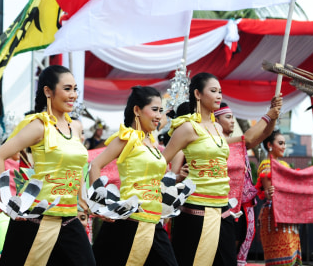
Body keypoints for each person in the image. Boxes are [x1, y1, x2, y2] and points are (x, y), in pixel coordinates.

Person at [0, 65, 95, 266]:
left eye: (75, 89)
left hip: (69, 217)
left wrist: (86, 201)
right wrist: (6, 203)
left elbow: (77, 168)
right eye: (67, 89)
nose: (73, 95)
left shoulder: (75, 127)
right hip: (36, 218)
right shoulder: (39, 126)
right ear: (48, 91)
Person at [89, 86, 177, 265]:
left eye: (161, 110)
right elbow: (95, 165)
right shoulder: (126, 137)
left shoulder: (152, 142)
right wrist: (99, 204)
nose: (159, 116)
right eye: (154, 110)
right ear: (137, 110)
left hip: (154, 221)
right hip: (131, 220)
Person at [163, 72, 233, 266]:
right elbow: (159, 162)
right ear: (198, 94)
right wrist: (171, 182)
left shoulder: (218, 128)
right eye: (213, 91)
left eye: (220, 91)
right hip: (196, 211)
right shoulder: (187, 128)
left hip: (223, 208)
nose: (219, 95)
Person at [214, 97, 282, 266]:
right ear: (216, 120)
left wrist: (274, 116)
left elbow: (265, 134)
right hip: (226, 206)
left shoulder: (238, 143)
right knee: (227, 251)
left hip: (246, 205)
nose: (232, 121)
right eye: (227, 117)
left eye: (232, 117)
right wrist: (269, 114)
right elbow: (249, 138)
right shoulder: (216, 144)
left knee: (240, 251)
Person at [257, 130, 302, 266]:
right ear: (269, 145)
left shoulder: (285, 166)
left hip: (287, 215)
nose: (284, 146)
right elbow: (270, 194)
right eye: (280, 143)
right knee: (281, 257)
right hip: (274, 216)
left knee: (291, 255)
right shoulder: (266, 166)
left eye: (284, 143)